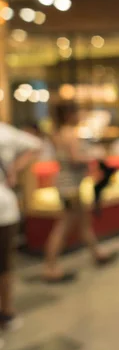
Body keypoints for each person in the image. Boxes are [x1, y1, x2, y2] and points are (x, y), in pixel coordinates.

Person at [44, 104, 119, 283]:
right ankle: (50, 267)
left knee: (84, 222)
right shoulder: (70, 134)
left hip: (67, 185)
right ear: (70, 114)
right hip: (70, 186)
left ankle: (97, 254)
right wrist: (95, 155)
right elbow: (75, 158)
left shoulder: (58, 133)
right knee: (64, 226)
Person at [0, 123, 40, 333]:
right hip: (5, 207)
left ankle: (6, 312)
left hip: (5, 208)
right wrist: (15, 169)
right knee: (5, 265)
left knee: (5, 265)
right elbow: (35, 145)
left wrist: (14, 168)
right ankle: (6, 312)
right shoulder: (5, 132)